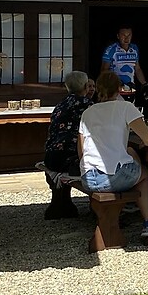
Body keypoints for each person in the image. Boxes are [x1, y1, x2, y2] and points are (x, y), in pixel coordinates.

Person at [78, 71, 148, 237]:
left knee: (130, 156)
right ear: (119, 89)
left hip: (88, 178)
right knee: (143, 173)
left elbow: (81, 150)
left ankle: (131, 206)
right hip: (111, 177)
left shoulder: (88, 112)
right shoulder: (125, 107)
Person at [41, 70, 93, 219]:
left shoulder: (61, 104)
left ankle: (62, 204)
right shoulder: (88, 105)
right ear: (85, 86)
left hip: (51, 157)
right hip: (68, 159)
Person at [100, 26, 148, 93]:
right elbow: (104, 70)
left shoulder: (134, 48)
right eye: (123, 35)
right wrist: (115, 83)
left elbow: (137, 69)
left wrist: (144, 84)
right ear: (118, 36)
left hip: (130, 88)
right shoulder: (111, 49)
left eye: (129, 35)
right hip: (115, 89)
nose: (126, 38)